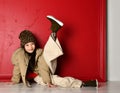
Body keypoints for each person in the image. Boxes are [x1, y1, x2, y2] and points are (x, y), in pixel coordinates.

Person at [11, 15, 98, 88]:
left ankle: (54, 33)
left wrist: (48, 81)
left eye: (32, 44)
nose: (30, 47)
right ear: (23, 46)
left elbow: (43, 68)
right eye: (27, 45)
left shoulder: (38, 53)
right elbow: (17, 69)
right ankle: (83, 83)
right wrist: (15, 80)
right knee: (56, 79)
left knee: (46, 53)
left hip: (44, 72)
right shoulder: (20, 54)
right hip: (36, 77)